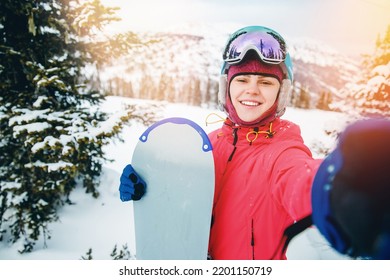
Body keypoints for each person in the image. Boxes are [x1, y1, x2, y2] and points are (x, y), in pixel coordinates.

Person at [119, 25, 390, 260]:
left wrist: (335, 188)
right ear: (227, 87)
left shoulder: (283, 152)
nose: (252, 89)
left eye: (265, 82)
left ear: (280, 93)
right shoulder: (207, 146)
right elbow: (185, 201)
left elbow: (301, 180)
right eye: (243, 79)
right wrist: (152, 185)